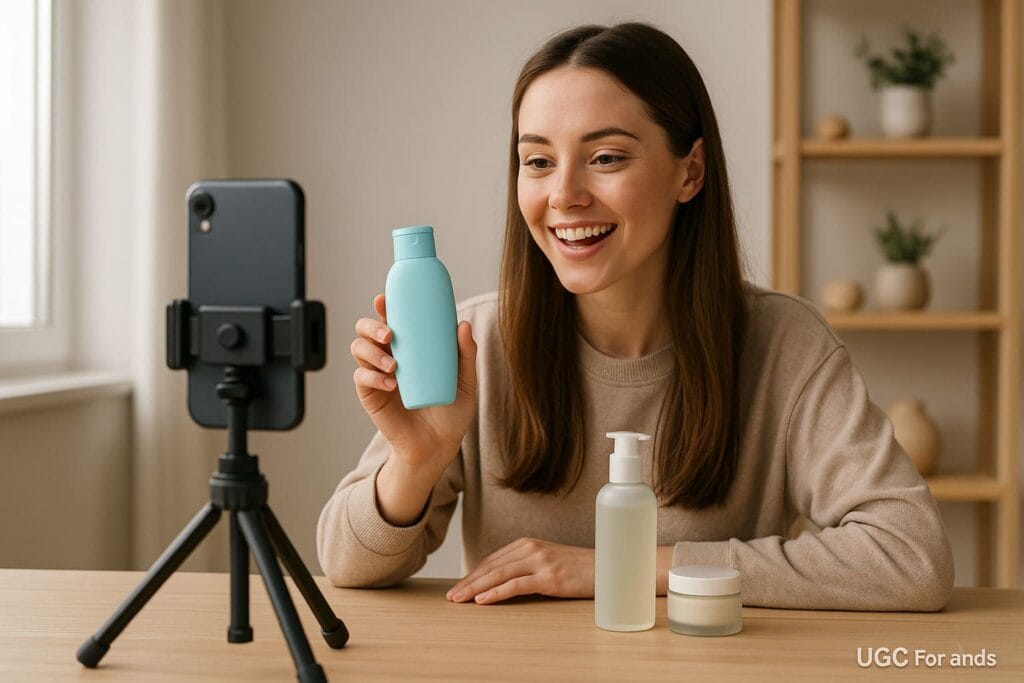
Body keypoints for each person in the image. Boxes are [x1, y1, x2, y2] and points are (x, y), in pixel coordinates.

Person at [316, 22, 954, 611]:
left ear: (690, 171)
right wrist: (416, 459)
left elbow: (911, 558)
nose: (564, 195)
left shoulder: (784, 345)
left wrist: (618, 568)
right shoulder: (476, 342)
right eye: (537, 161)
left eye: (606, 157)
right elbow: (345, 565)